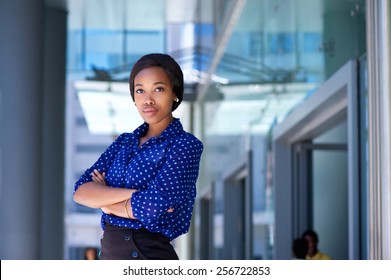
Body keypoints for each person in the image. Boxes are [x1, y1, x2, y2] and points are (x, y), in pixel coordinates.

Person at [73, 53, 203, 260]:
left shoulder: (185, 145)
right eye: (140, 90)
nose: (148, 99)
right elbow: (81, 192)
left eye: (158, 89)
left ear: (175, 94)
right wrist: (136, 194)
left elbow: (155, 207)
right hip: (110, 255)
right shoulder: (124, 142)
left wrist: (105, 199)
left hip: (147, 255)